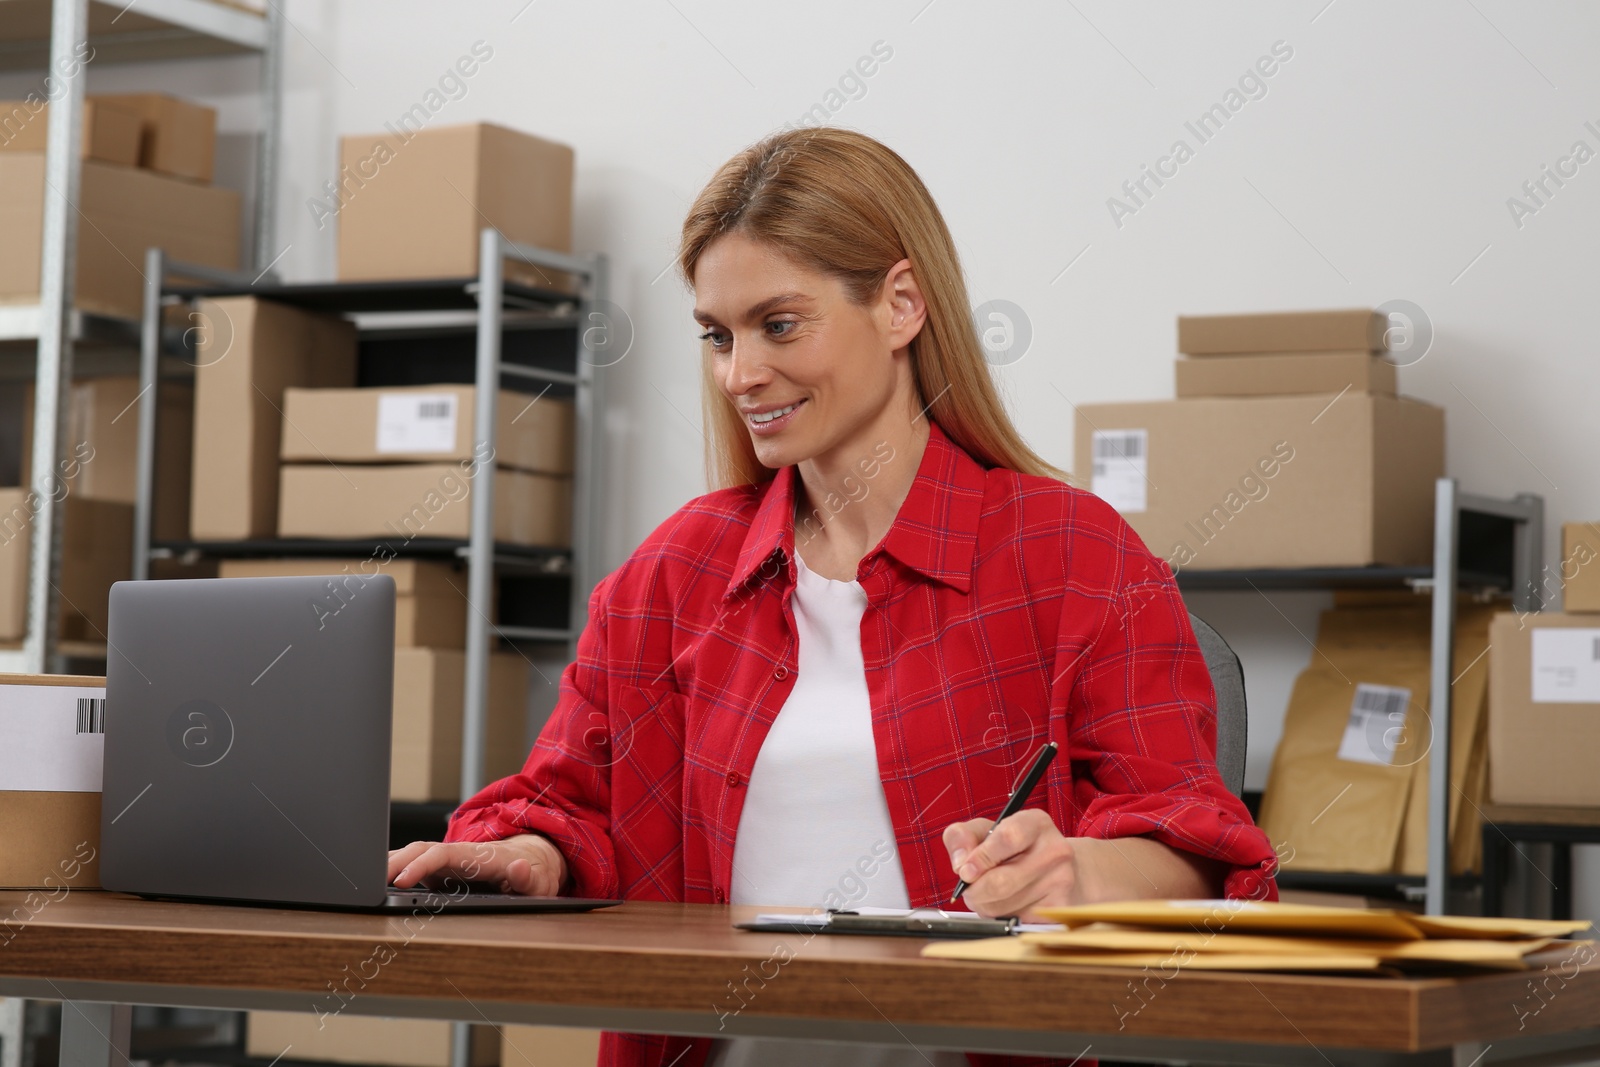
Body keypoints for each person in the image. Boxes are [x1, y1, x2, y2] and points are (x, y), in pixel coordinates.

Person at [388, 127, 1279, 1067]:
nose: (739, 374)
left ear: (900, 305)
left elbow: (1194, 842)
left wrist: (1080, 870)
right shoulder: (673, 574)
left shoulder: (1072, 552)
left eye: (779, 324)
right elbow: (566, 801)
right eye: (718, 335)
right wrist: (535, 854)